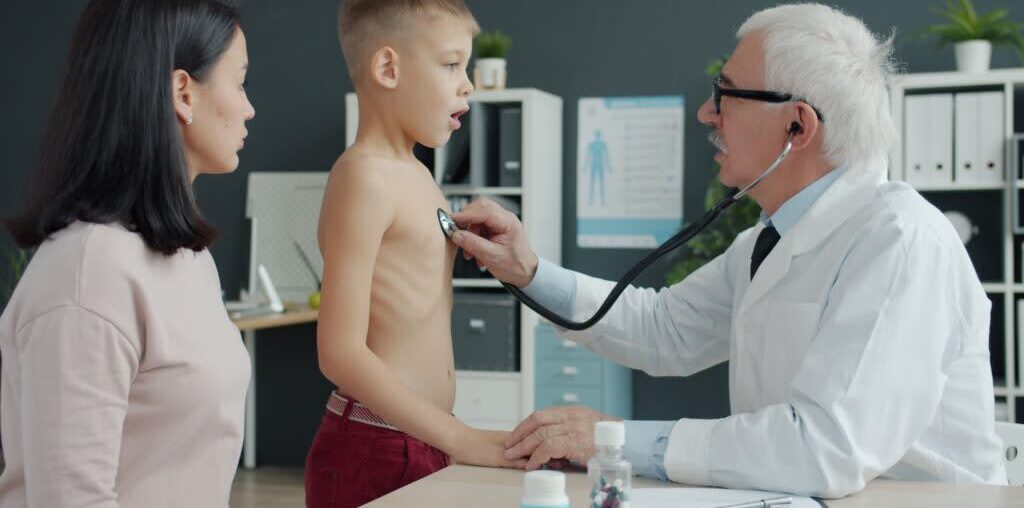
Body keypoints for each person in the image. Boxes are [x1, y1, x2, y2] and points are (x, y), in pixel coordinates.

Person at [450, 3, 1007, 498]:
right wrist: (527, 271)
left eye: (726, 93)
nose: (706, 113)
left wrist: (615, 440)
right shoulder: (768, 241)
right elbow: (663, 328)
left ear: (797, 125)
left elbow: (826, 447)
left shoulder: (901, 240)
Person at [0, 0, 255, 506]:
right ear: (183, 92)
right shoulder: (88, 273)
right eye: (241, 82)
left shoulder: (185, 257)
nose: (249, 108)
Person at [305, 1, 524, 506]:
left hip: (420, 436)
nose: (467, 85)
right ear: (388, 68)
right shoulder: (363, 176)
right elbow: (339, 351)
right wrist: (461, 438)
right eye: (451, 64)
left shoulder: (420, 175)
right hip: (374, 444)